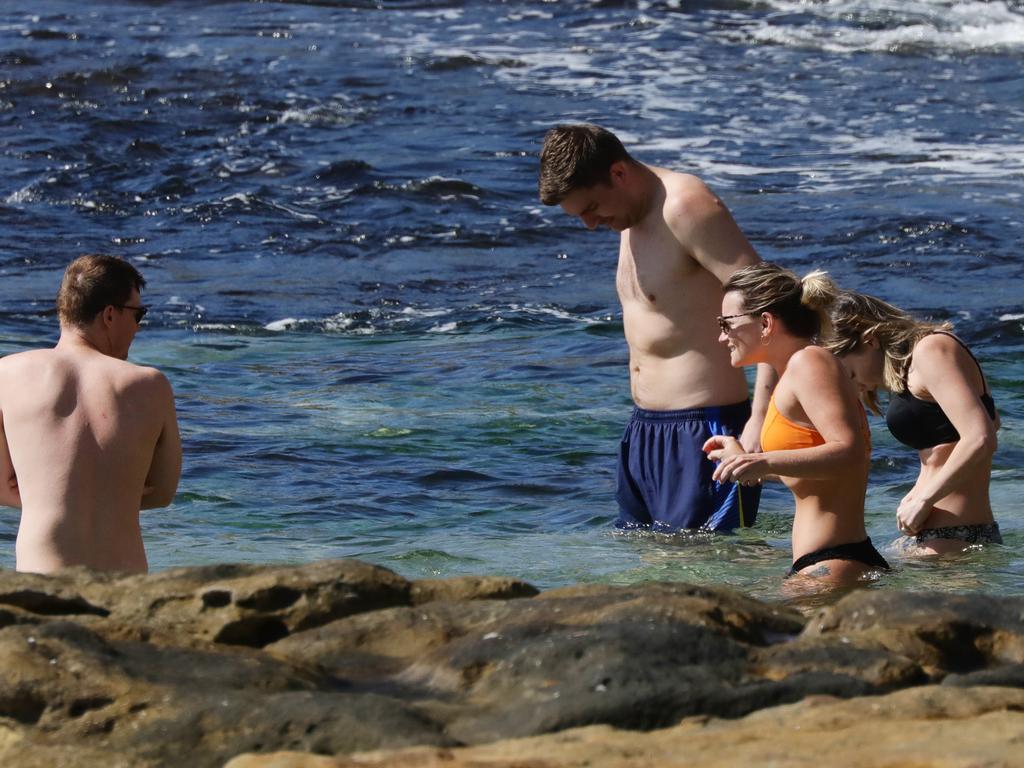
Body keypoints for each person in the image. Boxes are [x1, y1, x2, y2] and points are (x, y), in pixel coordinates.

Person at [539, 123, 774, 532]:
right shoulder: (629, 216)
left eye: (592, 208)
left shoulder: (685, 207)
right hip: (644, 432)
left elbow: (772, 307)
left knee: (705, 571)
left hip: (704, 433)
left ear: (618, 174)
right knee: (650, 569)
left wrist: (759, 421)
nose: (591, 224)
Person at [703, 263, 888, 584]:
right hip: (829, 558)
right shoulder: (794, 372)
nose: (721, 337)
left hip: (835, 560)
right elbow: (819, 473)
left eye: (726, 323)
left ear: (765, 323)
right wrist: (747, 464)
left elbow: (850, 452)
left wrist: (762, 460)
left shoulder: (809, 361)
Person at [0, 254, 181, 573]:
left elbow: (2, 486)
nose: (138, 327)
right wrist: (109, 496)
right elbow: (163, 492)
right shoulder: (150, 385)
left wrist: (56, 497)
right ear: (110, 314)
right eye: (138, 314)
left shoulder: (6, 375)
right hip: (125, 585)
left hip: (42, 580)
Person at [823, 291, 1000, 554]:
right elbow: (991, 422)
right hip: (942, 536)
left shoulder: (932, 350)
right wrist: (919, 492)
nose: (854, 383)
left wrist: (925, 498)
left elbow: (981, 437)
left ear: (870, 340)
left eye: (850, 372)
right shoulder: (911, 369)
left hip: (958, 536)